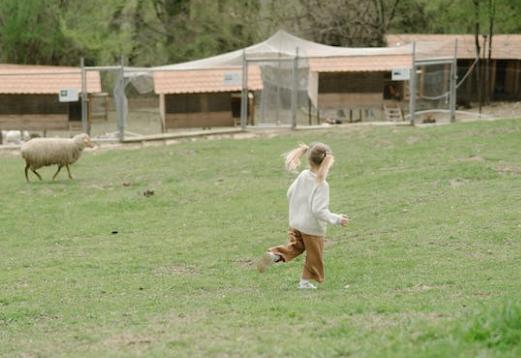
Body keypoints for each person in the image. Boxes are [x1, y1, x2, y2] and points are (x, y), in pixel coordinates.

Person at [257, 142, 349, 289]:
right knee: (314, 256)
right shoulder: (322, 184)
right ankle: (304, 283)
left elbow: (290, 193)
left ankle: (274, 255)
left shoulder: (303, 175)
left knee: (295, 247)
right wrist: (337, 219)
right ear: (328, 161)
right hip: (311, 229)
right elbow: (319, 210)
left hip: (296, 224)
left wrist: (297, 209)